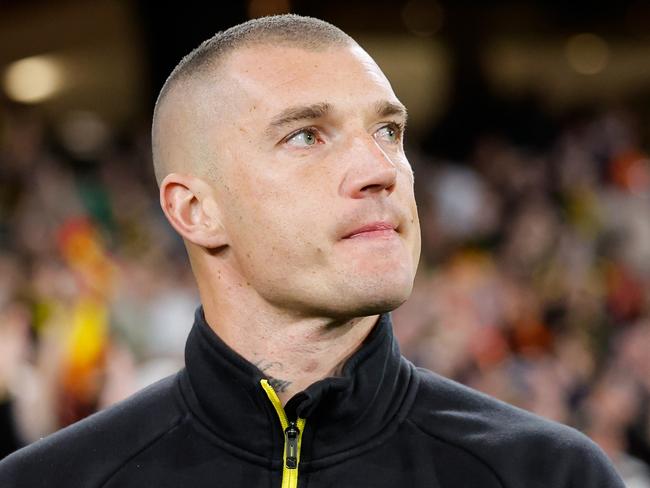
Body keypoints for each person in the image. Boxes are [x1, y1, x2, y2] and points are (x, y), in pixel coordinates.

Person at [0, 14, 624, 488]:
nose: (381, 170)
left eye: (388, 131)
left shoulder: (548, 473)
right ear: (194, 209)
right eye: (307, 135)